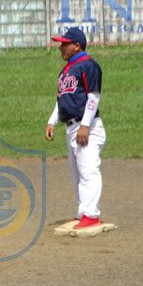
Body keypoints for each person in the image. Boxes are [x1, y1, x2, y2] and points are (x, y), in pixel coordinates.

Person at [45, 27, 106, 229]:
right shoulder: (66, 71)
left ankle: (91, 214)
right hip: (71, 127)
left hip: (86, 126)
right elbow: (61, 99)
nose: (60, 47)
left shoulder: (89, 65)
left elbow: (93, 97)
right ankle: (82, 212)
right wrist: (52, 121)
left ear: (77, 45)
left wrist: (85, 125)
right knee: (77, 174)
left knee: (88, 170)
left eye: (64, 44)